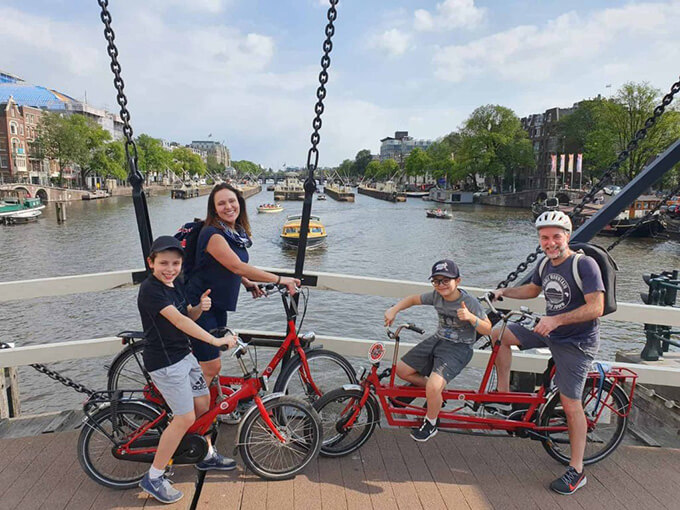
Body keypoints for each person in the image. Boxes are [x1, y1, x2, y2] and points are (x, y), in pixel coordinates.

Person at [490, 211, 604, 495]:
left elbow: (596, 307)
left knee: (570, 404)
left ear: (567, 235)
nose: (550, 242)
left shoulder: (584, 265)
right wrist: (503, 292)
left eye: (556, 236)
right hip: (551, 332)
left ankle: (577, 471)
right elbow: (532, 289)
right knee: (498, 334)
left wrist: (556, 320)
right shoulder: (545, 263)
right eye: (544, 237)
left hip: (576, 342)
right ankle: (503, 395)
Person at [137, 236, 238, 504]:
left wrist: (198, 308)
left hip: (184, 356)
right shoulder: (151, 290)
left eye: (175, 263)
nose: (169, 268)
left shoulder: (175, 283)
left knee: (203, 404)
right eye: (163, 263)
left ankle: (204, 454)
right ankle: (155, 477)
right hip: (166, 363)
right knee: (183, 418)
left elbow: (187, 314)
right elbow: (179, 321)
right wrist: (216, 341)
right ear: (151, 263)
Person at [187, 183, 300, 386]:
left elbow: (224, 266)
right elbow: (237, 266)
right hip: (201, 306)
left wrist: (247, 283)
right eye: (221, 203)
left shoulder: (234, 231)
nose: (228, 206)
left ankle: (201, 404)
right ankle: (188, 413)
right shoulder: (212, 234)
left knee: (207, 362)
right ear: (214, 209)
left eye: (232, 201)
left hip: (217, 305)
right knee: (211, 367)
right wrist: (281, 280)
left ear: (240, 202)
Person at [384, 259, 492, 442]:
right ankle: (436, 390)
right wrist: (393, 310)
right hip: (438, 340)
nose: (441, 285)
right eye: (436, 281)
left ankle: (431, 422)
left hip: (459, 348)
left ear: (457, 281)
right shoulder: (436, 296)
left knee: (433, 386)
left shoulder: (469, 301)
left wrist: (471, 318)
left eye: (446, 280)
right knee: (402, 370)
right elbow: (412, 299)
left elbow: (488, 329)